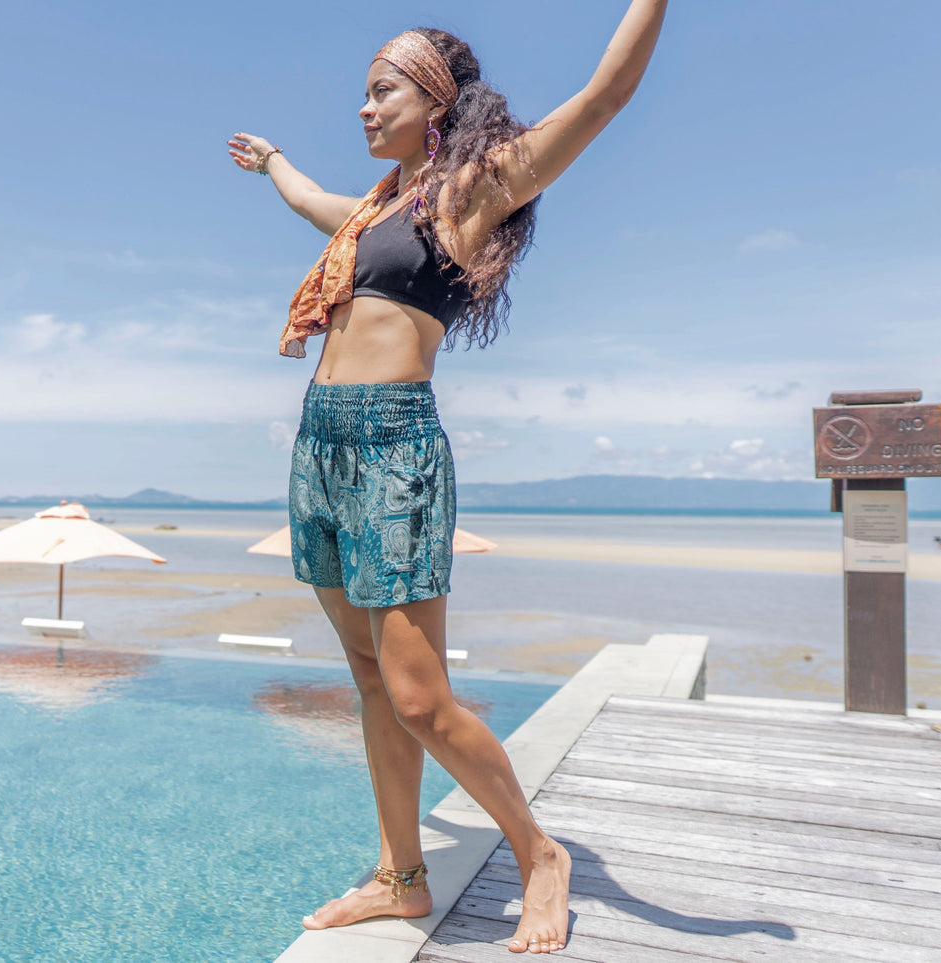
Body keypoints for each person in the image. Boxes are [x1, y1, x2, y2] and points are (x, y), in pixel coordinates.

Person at [228, 3, 665, 953]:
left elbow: (603, 98)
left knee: (419, 694)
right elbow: (312, 202)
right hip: (320, 447)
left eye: (380, 90)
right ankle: (400, 877)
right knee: (368, 681)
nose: (363, 108)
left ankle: (537, 852)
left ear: (431, 101)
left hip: (392, 448)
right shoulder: (376, 210)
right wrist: (270, 164)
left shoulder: (468, 194)